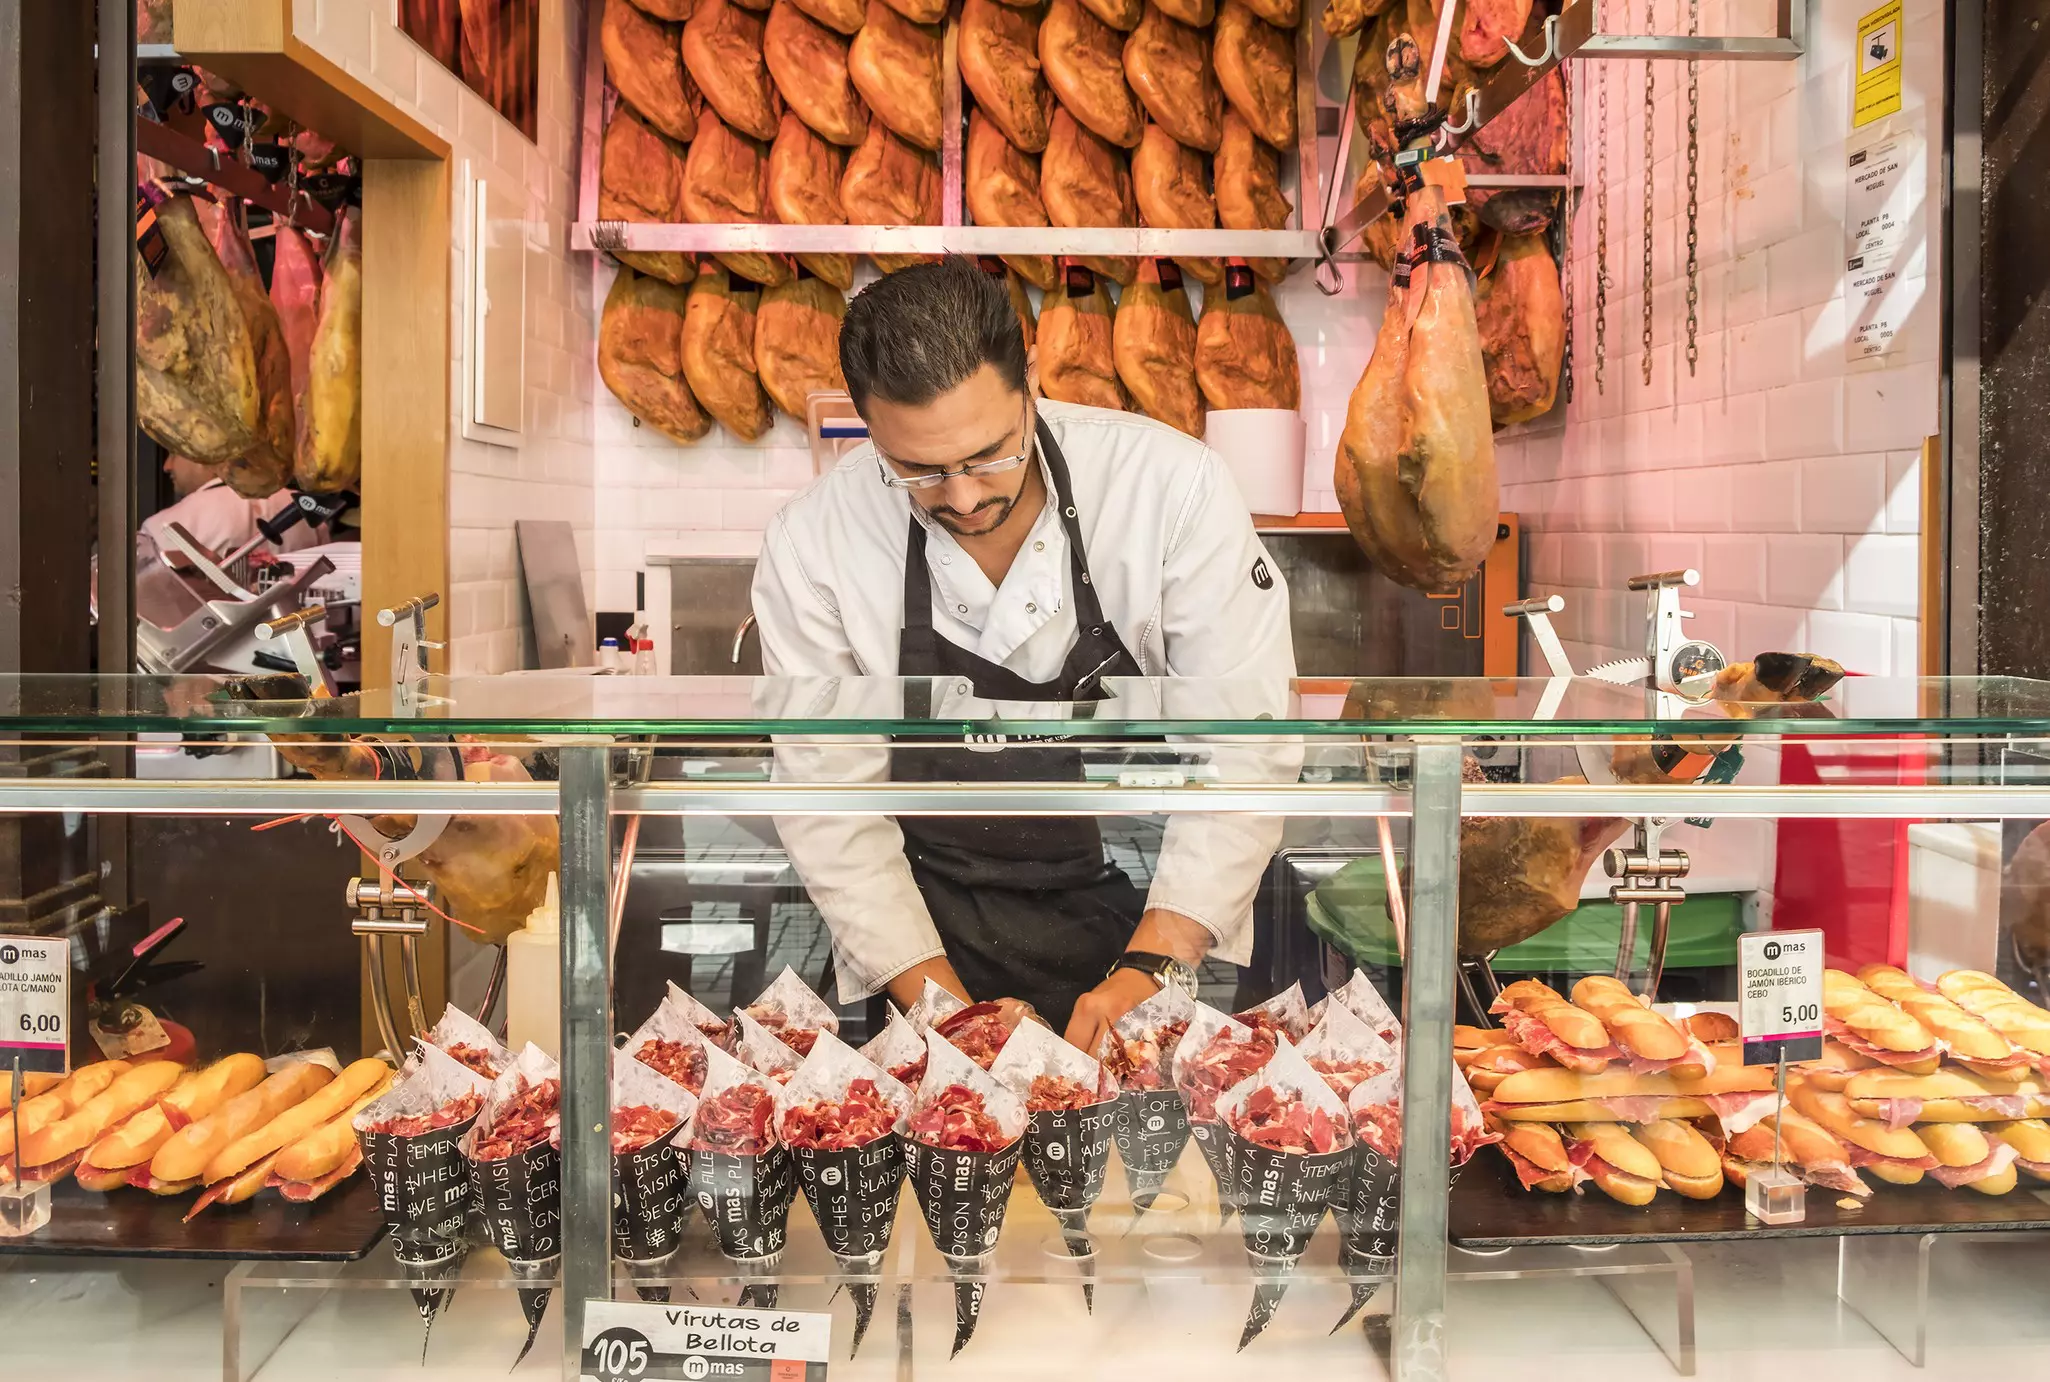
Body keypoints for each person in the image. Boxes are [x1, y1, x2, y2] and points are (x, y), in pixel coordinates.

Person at [751, 257, 1299, 1051]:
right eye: (920, 470)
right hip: (927, 936)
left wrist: (1151, 971)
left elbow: (1245, 754)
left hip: (1152, 910)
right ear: (868, 429)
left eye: (988, 455)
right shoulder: (814, 542)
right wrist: (950, 1017)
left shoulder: (1169, 488)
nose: (965, 497)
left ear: (1032, 381)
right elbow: (828, 801)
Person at [140, 454, 326, 560]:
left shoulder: (162, 526)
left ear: (208, 456)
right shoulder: (306, 511)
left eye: (174, 453)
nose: (166, 466)